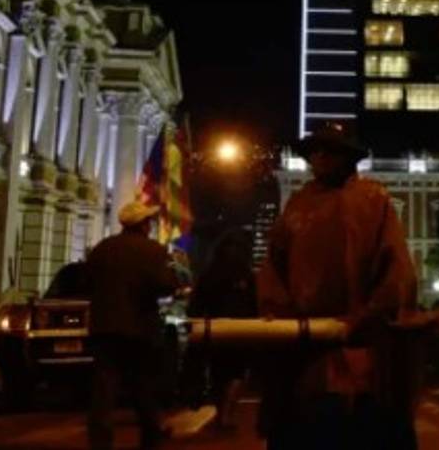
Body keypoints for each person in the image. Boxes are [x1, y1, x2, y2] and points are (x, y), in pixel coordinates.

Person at [256, 122, 418, 450]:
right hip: (306, 351)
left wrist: (368, 317)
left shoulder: (373, 199)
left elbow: (396, 272)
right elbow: (273, 268)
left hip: (361, 350)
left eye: (330, 150)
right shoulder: (298, 204)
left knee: (362, 427)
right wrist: (282, 317)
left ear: (348, 158)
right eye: (315, 150)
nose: (320, 157)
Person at [86, 200, 181, 450]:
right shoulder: (153, 251)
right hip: (139, 329)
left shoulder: (102, 249)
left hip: (104, 329)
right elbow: (166, 285)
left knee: (103, 391)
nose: (150, 225)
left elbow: (87, 282)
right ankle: (151, 437)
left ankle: (100, 441)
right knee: (143, 388)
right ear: (142, 225)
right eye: (148, 222)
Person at [188, 230, 257, 431]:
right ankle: (227, 413)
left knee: (219, 372)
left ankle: (221, 411)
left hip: (215, 329)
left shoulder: (210, 274)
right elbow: (255, 303)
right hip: (243, 330)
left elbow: (196, 305)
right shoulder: (247, 275)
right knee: (238, 372)